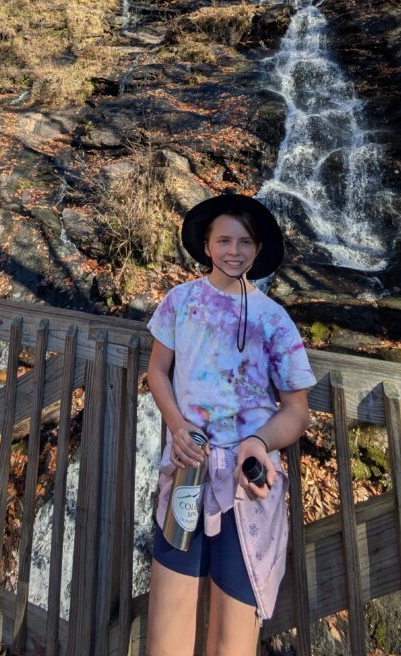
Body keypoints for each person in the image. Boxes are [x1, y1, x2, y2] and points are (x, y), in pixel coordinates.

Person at [146, 193, 316, 656]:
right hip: (187, 471)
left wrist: (258, 441)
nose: (234, 251)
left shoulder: (274, 321)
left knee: (233, 640)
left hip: (245, 483)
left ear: (258, 250)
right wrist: (177, 425)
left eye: (244, 242)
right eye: (224, 240)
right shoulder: (180, 301)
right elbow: (157, 371)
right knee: (166, 631)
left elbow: (296, 410)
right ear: (207, 245)